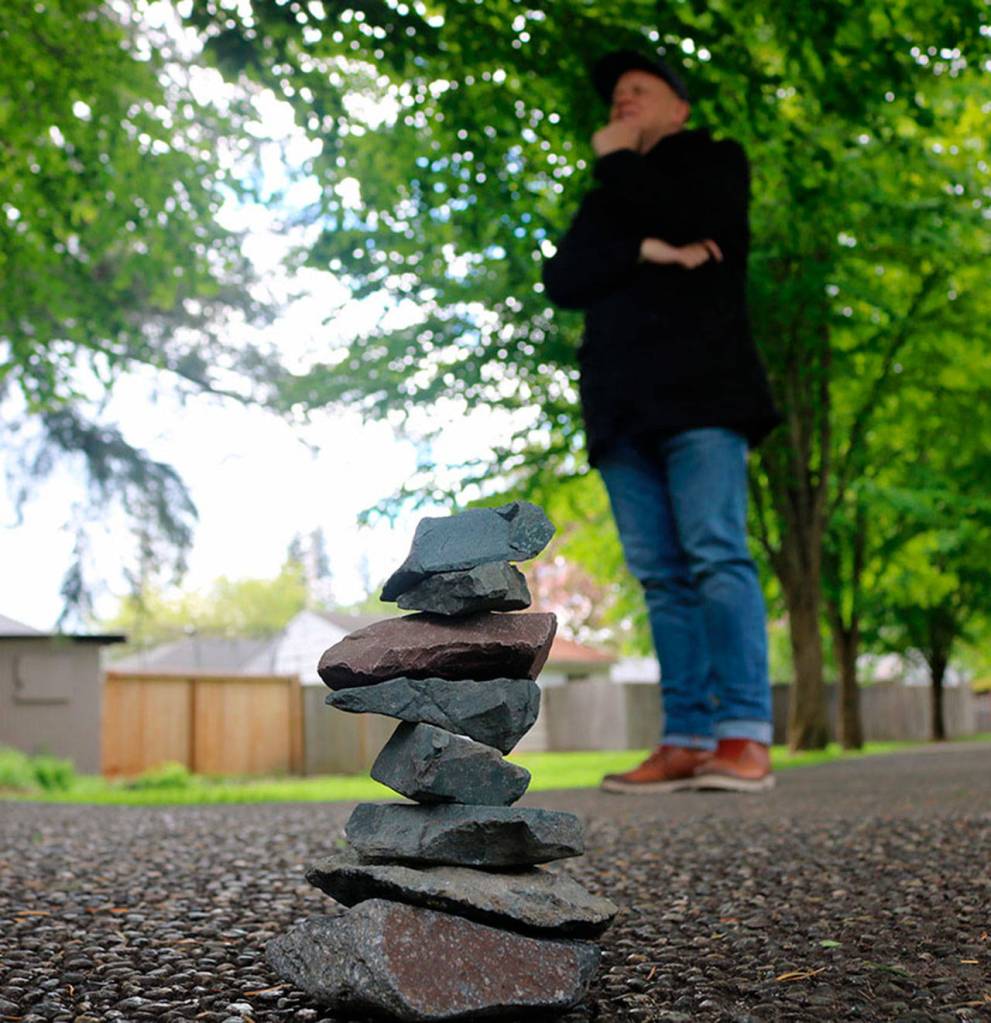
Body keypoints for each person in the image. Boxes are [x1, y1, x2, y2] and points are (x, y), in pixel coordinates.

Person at [542, 49, 781, 793]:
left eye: (637, 91)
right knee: (660, 577)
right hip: (619, 409)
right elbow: (563, 279)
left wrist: (620, 174)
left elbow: (695, 219)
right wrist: (650, 250)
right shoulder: (607, 198)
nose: (621, 101)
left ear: (678, 106)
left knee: (715, 554)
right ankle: (683, 738)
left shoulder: (713, 160)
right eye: (614, 96)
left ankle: (742, 734)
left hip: (704, 394)